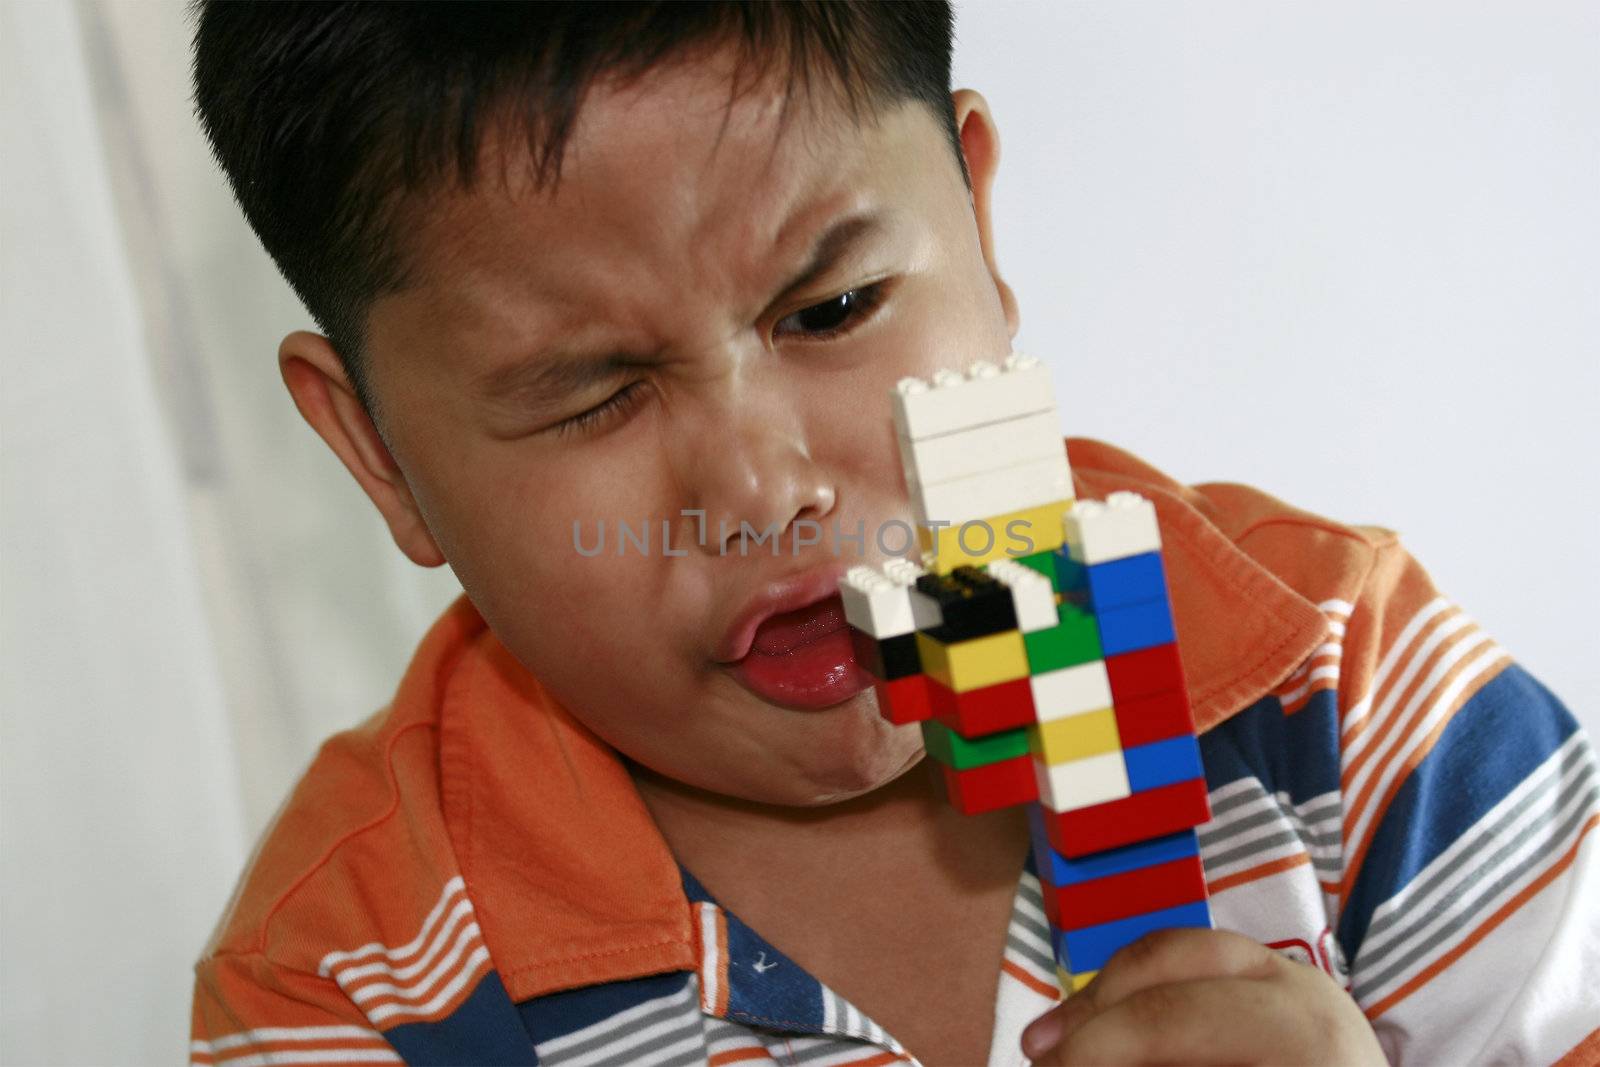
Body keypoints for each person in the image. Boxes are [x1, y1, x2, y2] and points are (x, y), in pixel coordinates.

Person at [186, 4, 1598, 1065]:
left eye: (834, 309)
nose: (764, 487)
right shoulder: (351, 980)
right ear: (377, 453)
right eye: (595, 393)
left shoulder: (1335, 681)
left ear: (980, 229)